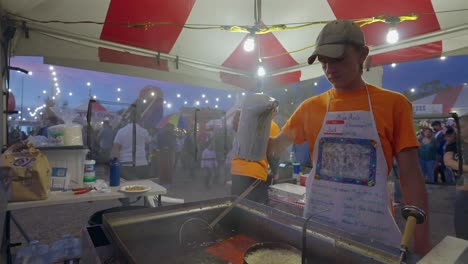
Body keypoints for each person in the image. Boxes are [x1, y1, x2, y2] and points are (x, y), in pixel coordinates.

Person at [268, 20, 430, 255]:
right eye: (323, 61)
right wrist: (249, 126)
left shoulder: (394, 105)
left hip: (372, 237)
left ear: (362, 54)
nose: (329, 69)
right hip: (319, 231)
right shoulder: (309, 108)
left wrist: (423, 247)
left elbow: (411, 178)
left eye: (338, 59)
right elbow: (275, 147)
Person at [231, 109, 280, 204]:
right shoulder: (271, 124)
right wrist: (275, 172)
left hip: (237, 171)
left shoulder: (244, 123)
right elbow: (273, 153)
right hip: (255, 174)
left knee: (238, 206)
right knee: (257, 210)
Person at [112, 114, 151, 180]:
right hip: (142, 163)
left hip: (125, 163)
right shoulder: (144, 131)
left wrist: (116, 162)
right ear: (140, 121)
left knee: (127, 187)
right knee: (143, 186)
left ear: (128, 120)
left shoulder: (121, 131)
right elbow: (148, 141)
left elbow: (116, 148)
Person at [450, 115, 468, 240]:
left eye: (461, 127)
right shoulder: (453, 144)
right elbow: (448, 161)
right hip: (462, 192)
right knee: (462, 230)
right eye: (456, 127)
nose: (458, 130)